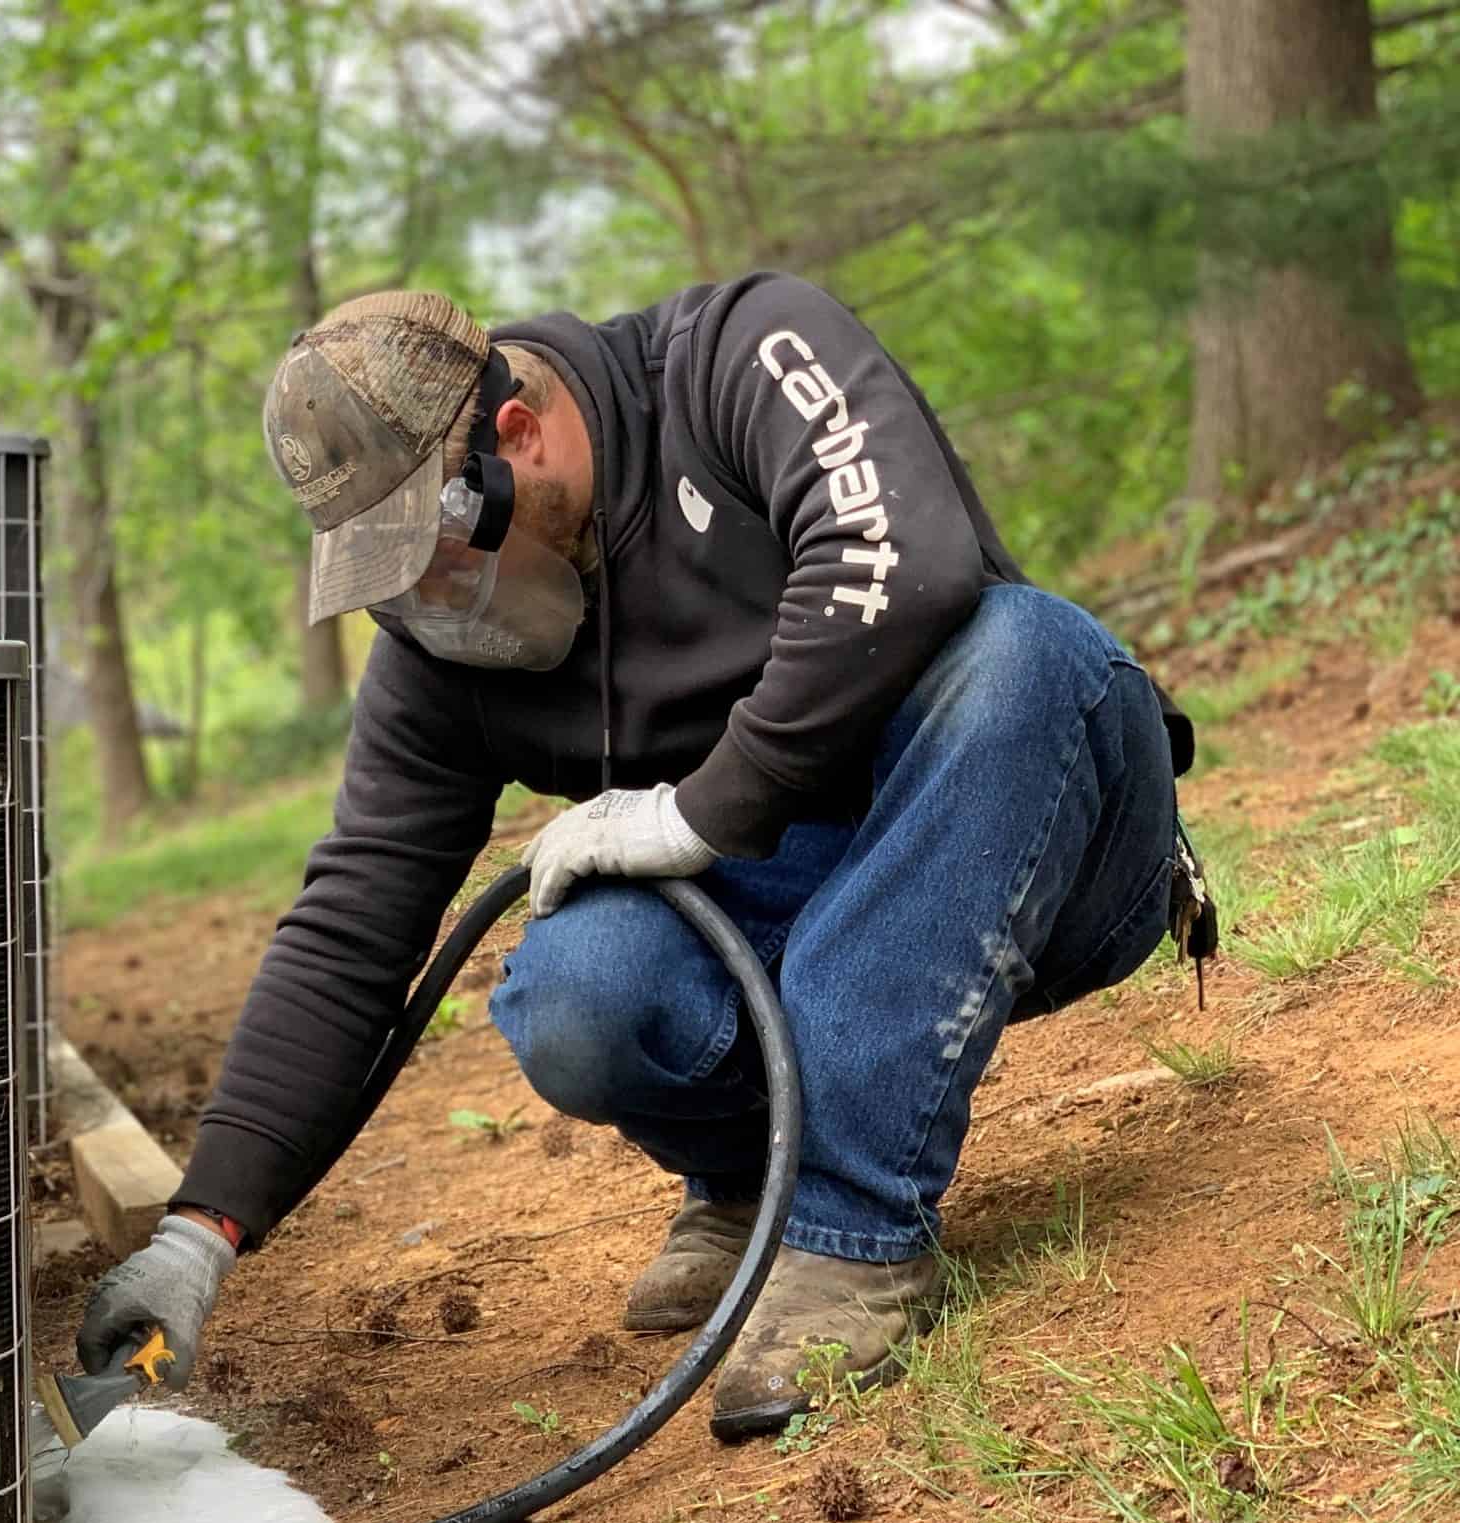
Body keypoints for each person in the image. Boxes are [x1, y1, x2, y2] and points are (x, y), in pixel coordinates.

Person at [77, 276, 1200, 1439]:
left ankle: (848, 1233)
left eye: (440, 550)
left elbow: (899, 558)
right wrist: (195, 1235)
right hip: (804, 907)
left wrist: (696, 813)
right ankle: (743, 1182)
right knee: (576, 986)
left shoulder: (734, 358)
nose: (434, 597)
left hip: (1032, 841)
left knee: (1025, 646)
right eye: (393, 578)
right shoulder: (440, 651)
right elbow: (353, 916)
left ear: (518, 433)